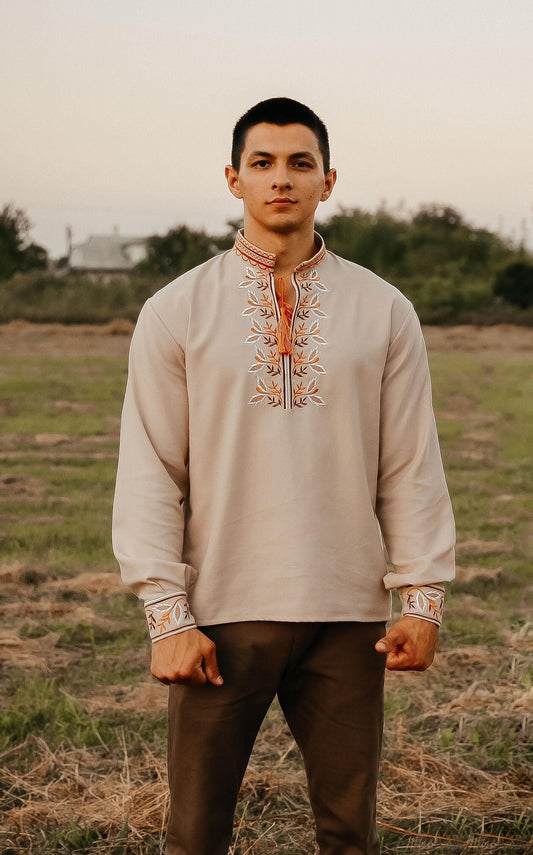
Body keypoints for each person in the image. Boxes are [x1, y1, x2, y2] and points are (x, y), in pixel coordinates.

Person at [112, 97, 455, 855]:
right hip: (220, 614)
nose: (281, 179)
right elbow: (150, 467)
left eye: (300, 163)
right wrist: (167, 613)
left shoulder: (383, 309)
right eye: (262, 163)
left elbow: (408, 463)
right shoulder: (177, 310)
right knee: (194, 835)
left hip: (348, 617)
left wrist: (421, 598)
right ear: (233, 179)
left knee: (348, 833)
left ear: (327, 181)